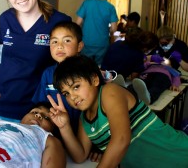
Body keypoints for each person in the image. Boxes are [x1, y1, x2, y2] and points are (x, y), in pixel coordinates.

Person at [47, 55, 188, 168]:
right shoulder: (84, 118)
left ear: (95, 79)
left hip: (179, 155)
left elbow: (121, 139)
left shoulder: (109, 92)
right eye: (66, 93)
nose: (72, 96)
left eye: (76, 87)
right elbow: (80, 156)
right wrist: (64, 127)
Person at [0, 0, 71, 122]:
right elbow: (1, 38)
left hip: (36, 107)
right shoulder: (5, 19)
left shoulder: (58, 21)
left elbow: (72, 55)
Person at [32, 21, 83, 133]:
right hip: (55, 132)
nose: (59, 46)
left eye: (67, 41)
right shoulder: (48, 73)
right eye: (54, 41)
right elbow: (41, 105)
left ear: (79, 46)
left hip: (85, 134)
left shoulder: (86, 73)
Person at [76, 0, 118, 65]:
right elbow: (114, 29)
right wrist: (108, 30)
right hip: (102, 43)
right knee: (99, 68)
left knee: (85, 66)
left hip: (86, 42)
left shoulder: (86, 3)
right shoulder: (110, 7)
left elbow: (77, 23)